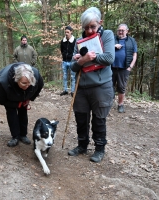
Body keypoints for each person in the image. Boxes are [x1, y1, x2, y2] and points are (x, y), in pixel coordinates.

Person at [68, 7, 115, 163]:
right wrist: (81, 61)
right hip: (81, 87)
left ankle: (99, 149)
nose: (89, 30)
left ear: (100, 23)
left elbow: (109, 58)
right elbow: (74, 67)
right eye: (86, 27)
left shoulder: (107, 35)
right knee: (81, 117)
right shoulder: (79, 41)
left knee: (98, 119)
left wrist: (86, 58)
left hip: (101, 86)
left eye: (92, 26)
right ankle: (82, 146)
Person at [0, 62, 44, 147]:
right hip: (9, 97)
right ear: (16, 79)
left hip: (24, 96)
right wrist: (17, 104)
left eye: (29, 83)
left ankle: (23, 135)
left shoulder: (36, 77)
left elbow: (38, 88)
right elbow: (1, 100)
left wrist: (29, 99)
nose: (27, 85)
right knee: (12, 113)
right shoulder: (2, 81)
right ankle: (15, 136)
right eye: (24, 83)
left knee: (23, 112)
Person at [112, 24, 137, 113]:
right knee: (110, 86)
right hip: (111, 67)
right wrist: (113, 46)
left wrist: (130, 67)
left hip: (124, 68)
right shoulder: (112, 39)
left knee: (121, 87)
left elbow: (134, 55)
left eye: (123, 30)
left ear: (127, 31)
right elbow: (104, 49)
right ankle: (109, 103)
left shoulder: (131, 41)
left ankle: (120, 104)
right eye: (119, 30)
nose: (121, 32)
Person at [60, 26, 76, 97]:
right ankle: (65, 90)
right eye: (65, 32)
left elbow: (76, 50)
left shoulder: (75, 41)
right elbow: (62, 50)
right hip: (64, 61)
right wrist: (64, 55)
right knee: (64, 77)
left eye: (68, 32)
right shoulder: (62, 41)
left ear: (71, 32)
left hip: (72, 61)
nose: (66, 33)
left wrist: (73, 57)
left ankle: (72, 91)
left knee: (73, 77)